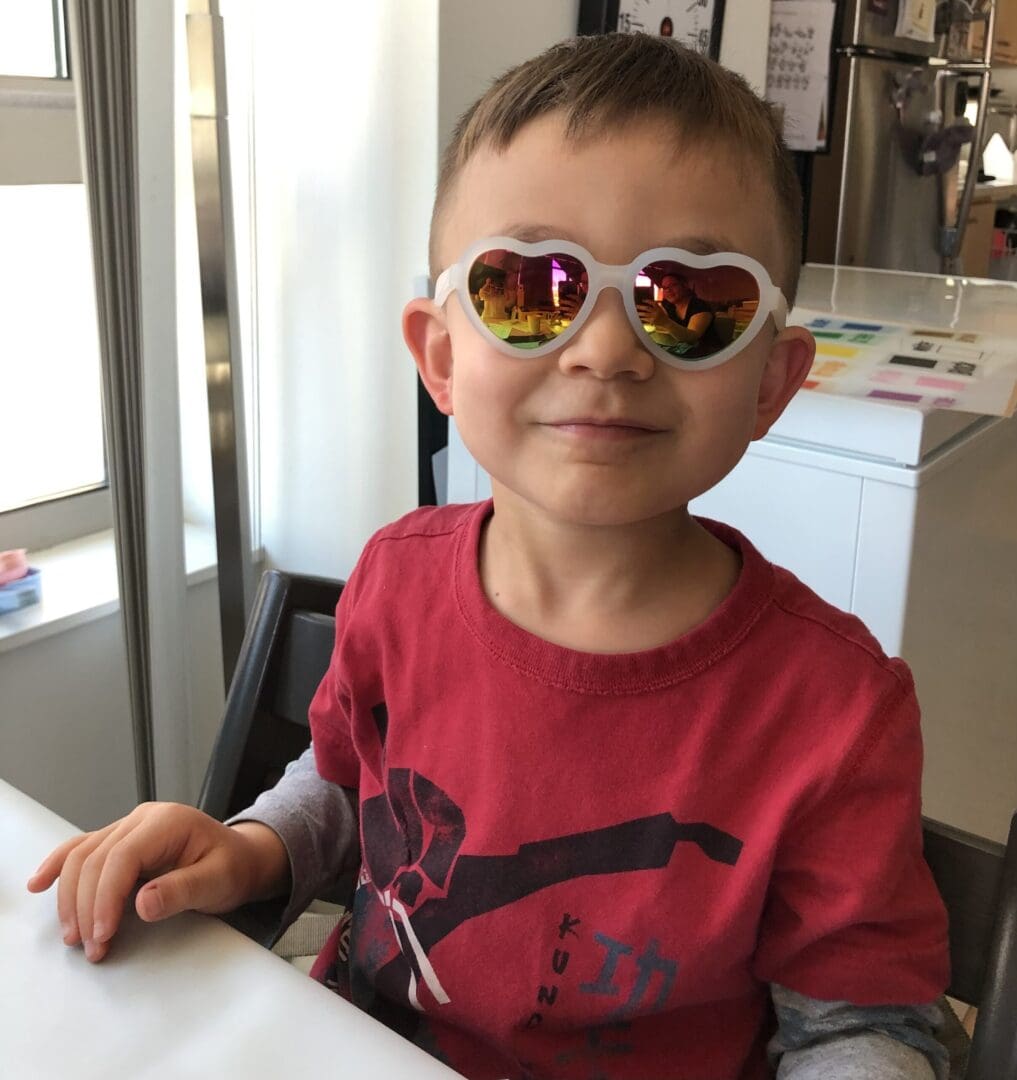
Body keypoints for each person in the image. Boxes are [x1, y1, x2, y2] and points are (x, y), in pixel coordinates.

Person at [27, 33, 950, 1080]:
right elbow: (343, 785)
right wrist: (248, 847)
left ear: (773, 381)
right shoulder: (396, 578)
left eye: (689, 302)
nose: (605, 350)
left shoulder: (836, 708)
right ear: (441, 357)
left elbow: (861, 1030)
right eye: (529, 290)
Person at [637, 271, 724, 357]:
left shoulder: (699, 306)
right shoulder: (668, 305)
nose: (668, 290)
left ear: (684, 286)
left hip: (709, 353)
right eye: (664, 287)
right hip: (682, 349)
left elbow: (692, 338)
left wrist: (664, 322)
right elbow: (661, 326)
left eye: (673, 285)